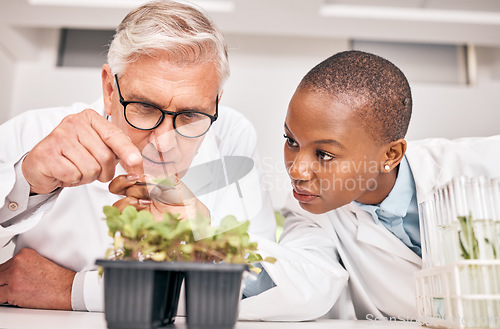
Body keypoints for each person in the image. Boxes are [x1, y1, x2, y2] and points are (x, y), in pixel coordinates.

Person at [0, 0, 275, 312]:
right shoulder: (33, 132)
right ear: (109, 89)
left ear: (216, 103)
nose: (164, 143)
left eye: (190, 116)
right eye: (145, 108)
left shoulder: (233, 139)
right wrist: (23, 183)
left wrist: (74, 289)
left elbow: (264, 286)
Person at [239, 50, 500, 321]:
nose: (297, 171)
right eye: (291, 141)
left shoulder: (485, 166)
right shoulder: (309, 207)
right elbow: (303, 281)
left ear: (391, 155)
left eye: (324, 154)